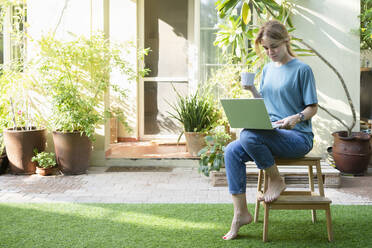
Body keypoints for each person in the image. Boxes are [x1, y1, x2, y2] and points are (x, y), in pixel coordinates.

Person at [222, 20, 318, 240]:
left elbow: (313, 108)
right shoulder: (266, 69)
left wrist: (297, 117)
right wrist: (252, 89)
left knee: (248, 135)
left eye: (273, 46)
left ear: (285, 41)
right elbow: (264, 105)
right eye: (265, 48)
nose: (270, 52)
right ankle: (240, 214)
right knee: (231, 151)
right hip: (271, 133)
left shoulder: (302, 70)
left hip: (297, 137)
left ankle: (276, 178)